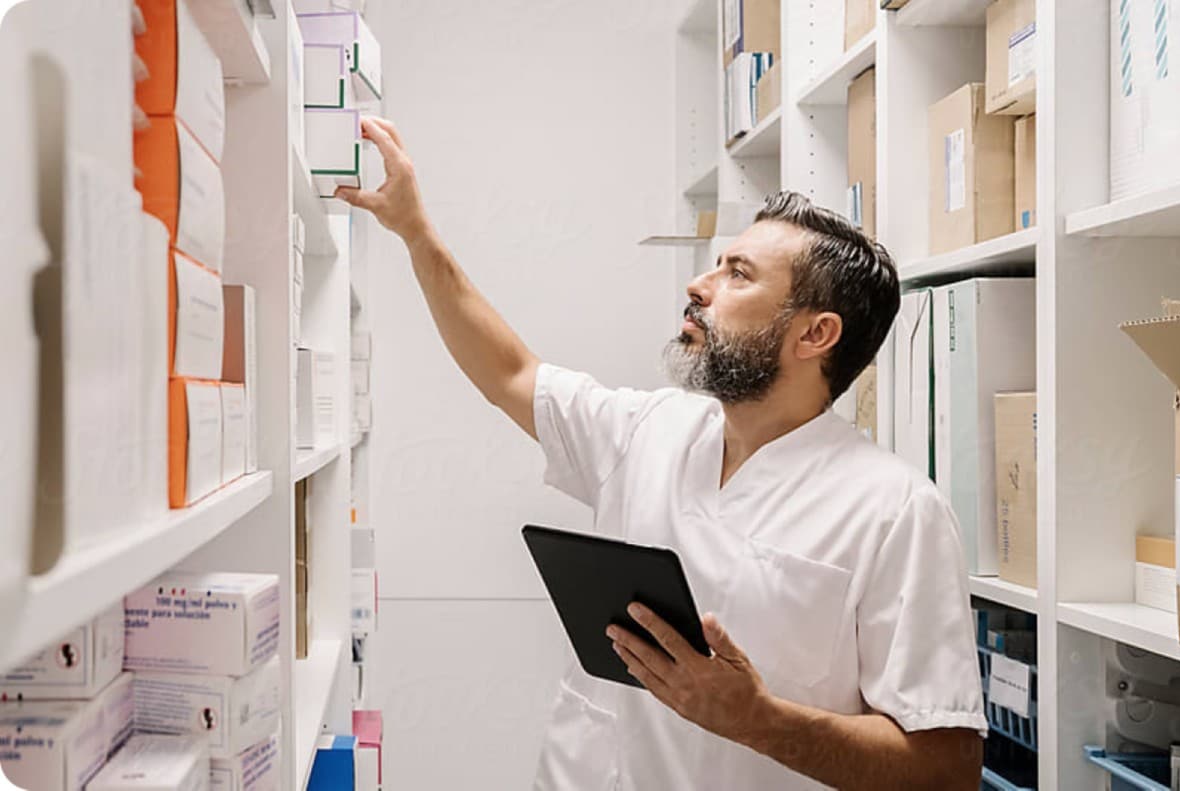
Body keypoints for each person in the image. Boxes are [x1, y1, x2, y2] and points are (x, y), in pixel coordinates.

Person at [338, 116, 987, 790]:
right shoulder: (649, 427)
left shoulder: (894, 510)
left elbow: (944, 767)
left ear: (815, 333)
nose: (699, 285)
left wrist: (760, 719)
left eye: (738, 274)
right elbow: (511, 374)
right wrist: (416, 233)